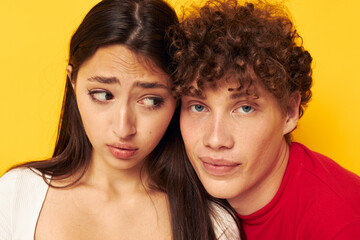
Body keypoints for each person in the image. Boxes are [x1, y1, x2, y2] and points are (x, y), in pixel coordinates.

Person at [0, 0, 240, 239]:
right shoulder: (14, 196)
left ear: (177, 99)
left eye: (151, 101)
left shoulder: (213, 224)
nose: (123, 129)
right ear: (73, 82)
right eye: (103, 95)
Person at [169, 0, 360, 239]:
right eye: (198, 107)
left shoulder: (342, 224)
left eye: (245, 108)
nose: (216, 139)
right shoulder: (171, 185)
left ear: (289, 112)